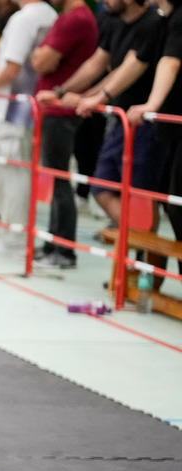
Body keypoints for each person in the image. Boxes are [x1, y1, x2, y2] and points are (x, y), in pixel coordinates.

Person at [40, 0, 164, 268]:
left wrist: (95, 97)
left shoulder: (152, 24)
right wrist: (63, 91)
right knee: (102, 188)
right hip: (121, 120)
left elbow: (130, 67)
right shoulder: (112, 21)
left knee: (141, 197)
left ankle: (145, 259)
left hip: (143, 122)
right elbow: (96, 64)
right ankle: (141, 247)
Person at [0, 0, 55, 251]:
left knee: (10, 175)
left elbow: (11, 68)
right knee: (19, 173)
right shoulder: (49, 15)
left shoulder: (23, 20)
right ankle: (16, 234)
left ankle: (14, 238)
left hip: (12, 111)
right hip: (31, 110)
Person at [30, 0, 98, 268]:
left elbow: (41, 62)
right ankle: (53, 243)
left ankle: (64, 250)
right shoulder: (68, 17)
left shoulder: (76, 19)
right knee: (55, 179)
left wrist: (42, 57)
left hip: (61, 112)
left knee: (59, 180)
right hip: (54, 111)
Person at [127, 0, 182, 274]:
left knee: (177, 206)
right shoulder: (162, 20)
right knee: (166, 203)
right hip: (168, 129)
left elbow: (171, 61)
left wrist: (151, 104)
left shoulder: (179, 18)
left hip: (174, 125)